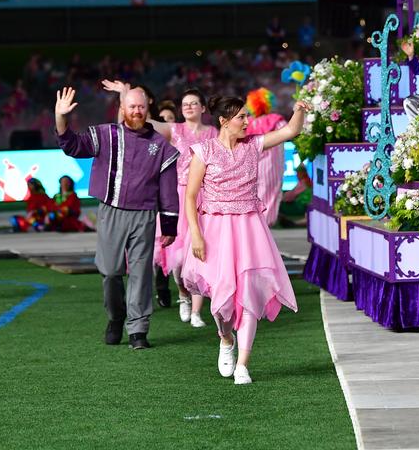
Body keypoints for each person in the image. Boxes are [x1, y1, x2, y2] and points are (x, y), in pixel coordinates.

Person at [182, 96, 307, 385]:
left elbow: (290, 132)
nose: (247, 122)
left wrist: (298, 110)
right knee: (221, 298)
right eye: (241, 117)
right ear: (224, 121)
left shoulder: (254, 145)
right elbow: (190, 197)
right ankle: (226, 338)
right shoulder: (204, 151)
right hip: (215, 229)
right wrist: (196, 234)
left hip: (250, 229)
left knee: (250, 292)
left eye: (247, 116)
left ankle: (243, 365)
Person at [55, 86, 179, 349]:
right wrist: (61, 118)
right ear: (122, 109)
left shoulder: (161, 145)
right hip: (111, 210)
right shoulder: (106, 135)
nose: (137, 111)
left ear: (148, 109)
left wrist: (169, 224)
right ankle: (115, 317)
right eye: (132, 106)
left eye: (141, 107)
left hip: (145, 214)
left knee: (141, 273)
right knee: (110, 271)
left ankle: (138, 330)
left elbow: (169, 189)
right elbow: (72, 146)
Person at [102, 82, 218, 327]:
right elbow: (134, 122)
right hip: (177, 195)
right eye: (184, 104)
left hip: (205, 196)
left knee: (200, 253)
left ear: (203, 108)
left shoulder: (212, 133)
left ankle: (197, 311)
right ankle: (184, 295)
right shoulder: (173, 130)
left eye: (193, 103)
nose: (188, 107)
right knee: (176, 257)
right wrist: (124, 97)